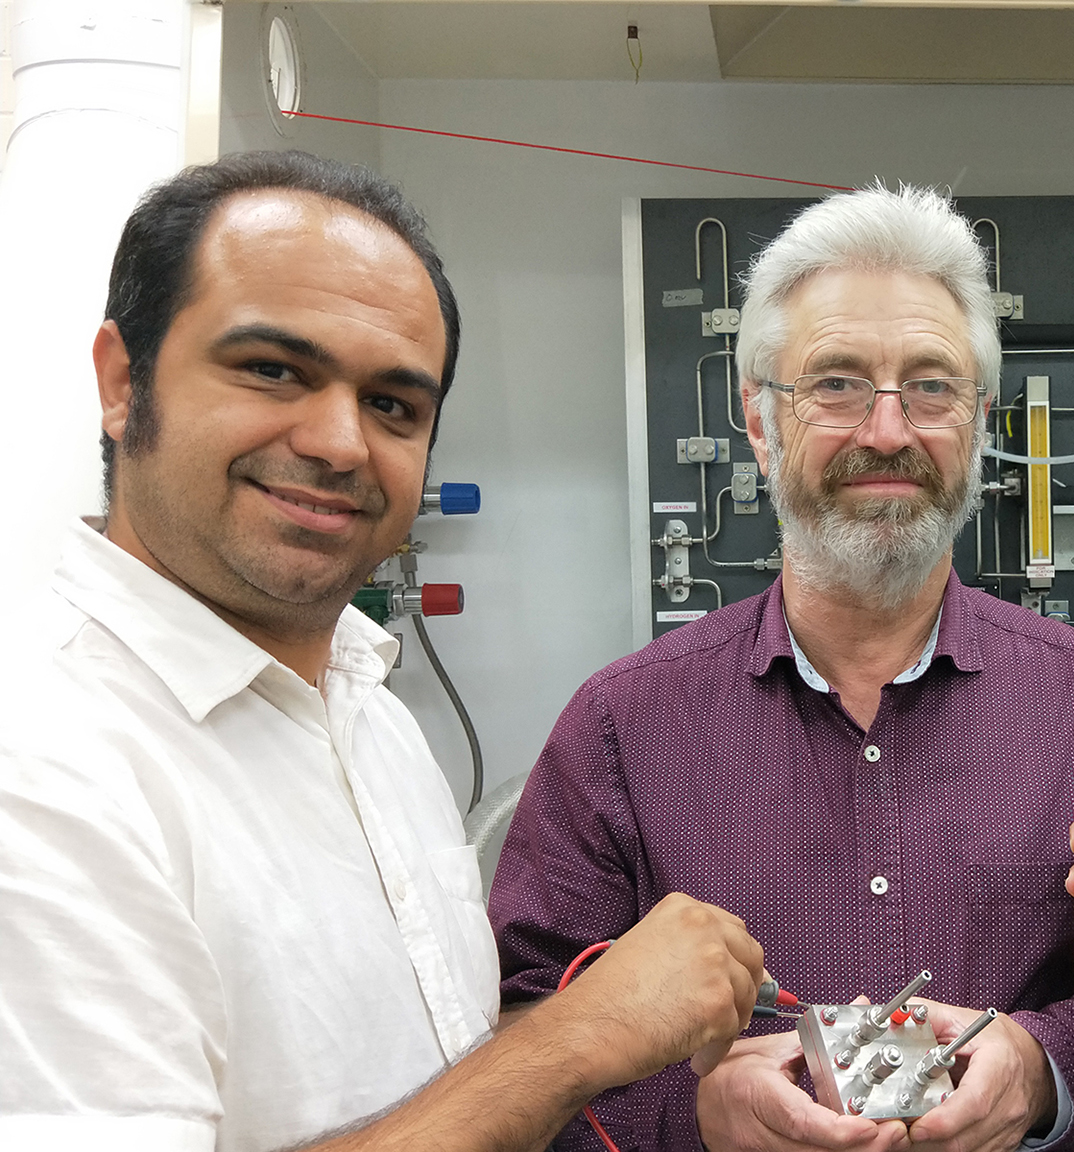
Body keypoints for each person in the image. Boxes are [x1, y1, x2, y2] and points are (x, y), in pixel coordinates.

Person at [0, 150, 767, 1152]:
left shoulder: (368, 714)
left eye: (394, 405)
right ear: (120, 381)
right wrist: (578, 1038)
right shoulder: (48, 762)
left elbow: (431, 1088)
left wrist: (672, 1064)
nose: (340, 443)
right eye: (274, 369)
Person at [489, 185, 1074, 1152]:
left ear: (976, 427)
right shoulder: (622, 730)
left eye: (931, 386)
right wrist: (695, 1116)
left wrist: (1043, 1072)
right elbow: (518, 1044)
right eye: (837, 384)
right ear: (761, 425)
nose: (887, 432)